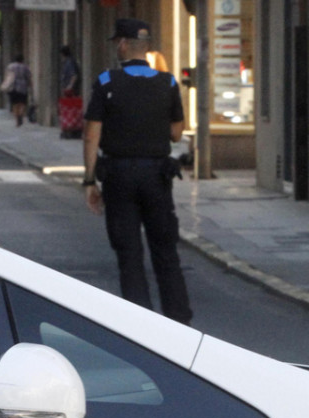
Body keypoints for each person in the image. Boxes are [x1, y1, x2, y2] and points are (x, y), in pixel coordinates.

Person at [82, 18, 193, 325]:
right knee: (166, 251)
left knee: (129, 255)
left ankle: (141, 325)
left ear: (122, 44)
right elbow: (176, 133)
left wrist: (89, 180)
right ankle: (179, 320)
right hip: (157, 177)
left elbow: (91, 134)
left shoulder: (106, 82)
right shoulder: (167, 82)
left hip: (119, 176)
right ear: (147, 48)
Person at [2, 54, 32, 127]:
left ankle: (17, 120)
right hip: (23, 87)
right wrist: (30, 85)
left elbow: (8, 76)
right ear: (22, 59)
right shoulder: (25, 67)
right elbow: (28, 77)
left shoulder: (10, 66)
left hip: (13, 87)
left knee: (15, 105)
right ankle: (21, 114)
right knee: (22, 103)